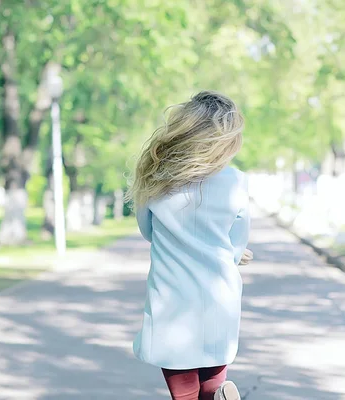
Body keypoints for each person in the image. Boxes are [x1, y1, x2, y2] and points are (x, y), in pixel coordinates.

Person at [126, 90, 252, 400]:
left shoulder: (157, 180)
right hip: (218, 305)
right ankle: (219, 395)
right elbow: (236, 244)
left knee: (184, 394)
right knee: (211, 384)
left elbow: (148, 231)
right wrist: (232, 254)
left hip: (172, 308)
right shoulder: (236, 182)